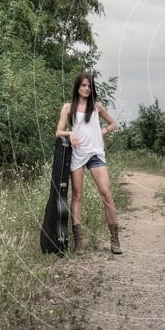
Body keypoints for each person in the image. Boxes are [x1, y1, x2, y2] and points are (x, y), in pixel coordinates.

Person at [55, 73, 121, 254]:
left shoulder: (97, 107)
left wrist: (103, 131)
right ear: (78, 87)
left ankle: (115, 239)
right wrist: (70, 133)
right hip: (77, 155)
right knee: (77, 195)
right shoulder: (68, 107)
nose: (86, 89)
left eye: (90, 86)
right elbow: (58, 131)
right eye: (84, 85)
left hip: (96, 154)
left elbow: (113, 123)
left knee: (106, 194)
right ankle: (79, 243)